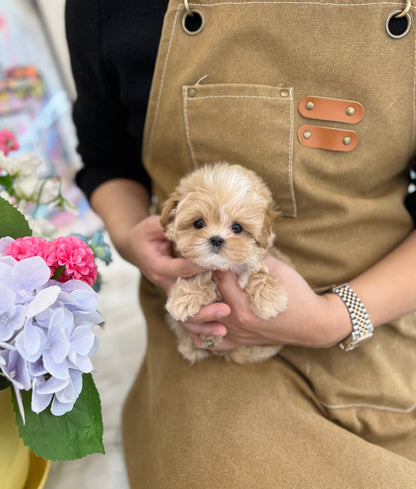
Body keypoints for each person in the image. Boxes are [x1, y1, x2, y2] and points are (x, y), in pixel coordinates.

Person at [65, 0, 416, 487]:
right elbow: (106, 157)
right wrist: (131, 237)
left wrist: (333, 318)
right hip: (209, 334)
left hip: (384, 310)